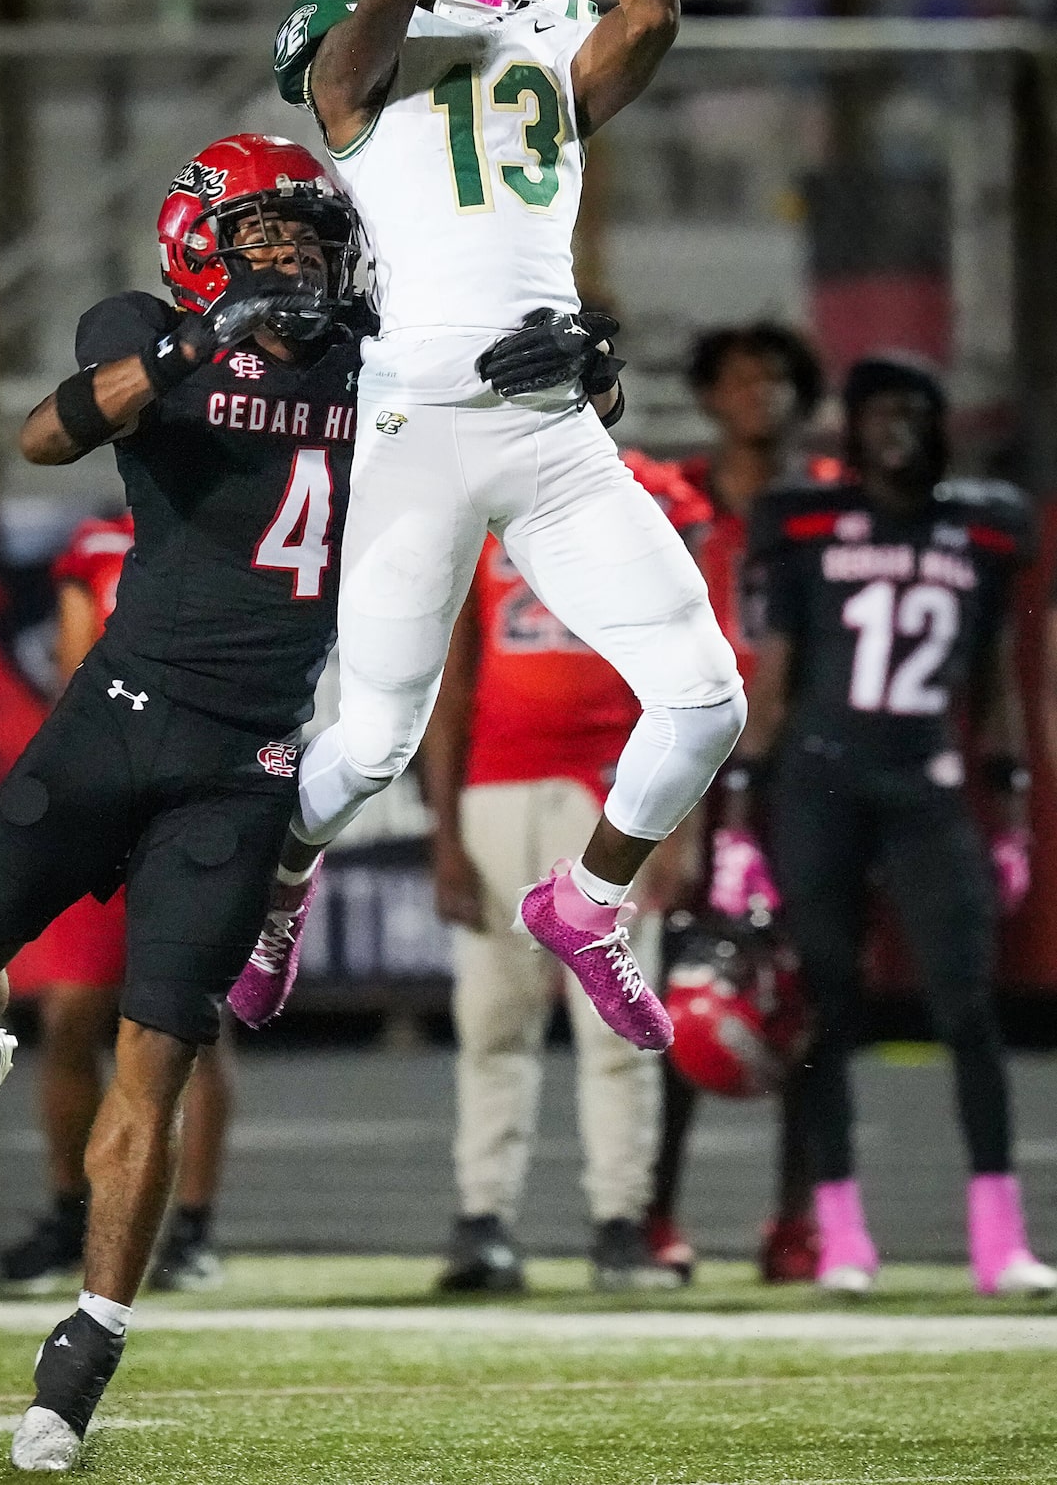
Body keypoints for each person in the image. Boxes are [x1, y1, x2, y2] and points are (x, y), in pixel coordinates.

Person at [260, 0, 744, 1055]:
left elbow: (651, 7)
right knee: (367, 748)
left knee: (706, 698)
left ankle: (586, 905)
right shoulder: (355, 60)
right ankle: (281, 882)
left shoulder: (547, 51)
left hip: (548, 424)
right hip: (415, 423)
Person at [0, 133, 364, 1472]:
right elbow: (45, 433)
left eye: (306, 236)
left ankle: (82, 1358)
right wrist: (191, 343)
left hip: (246, 761)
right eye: (266, 235)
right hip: (115, 722)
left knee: (154, 1057)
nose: (295, 256)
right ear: (201, 243)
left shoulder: (373, 362)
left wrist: (574, 379)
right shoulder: (152, 332)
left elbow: (506, 430)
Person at [728, 352, 1055, 1296]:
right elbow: (777, 674)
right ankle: (841, 1234)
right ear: (853, 429)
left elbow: (992, 675)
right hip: (819, 785)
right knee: (828, 1009)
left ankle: (999, 1238)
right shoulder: (803, 524)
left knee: (966, 1007)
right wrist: (744, 819)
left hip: (925, 783)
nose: (896, 427)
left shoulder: (982, 527)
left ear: (938, 423)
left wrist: (1012, 811)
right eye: (878, 412)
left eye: (913, 409)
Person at [425, 455, 711, 1293]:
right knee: (489, 1019)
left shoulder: (658, 493)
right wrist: (443, 828)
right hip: (499, 782)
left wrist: (678, 827)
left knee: (617, 1026)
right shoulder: (481, 483)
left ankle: (622, 1222)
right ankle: (483, 1219)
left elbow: (695, 659)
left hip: (615, 787)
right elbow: (453, 671)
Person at [0, 511, 234, 1294]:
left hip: (203, 797)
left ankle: (189, 1229)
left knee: (187, 1023)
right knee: (68, 1015)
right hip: (108, 794)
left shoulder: (241, 519)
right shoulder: (100, 539)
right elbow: (74, 673)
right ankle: (71, 1215)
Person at [648, 320, 834, 1284]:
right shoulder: (671, 504)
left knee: (802, 994)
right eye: (738, 377)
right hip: (698, 767)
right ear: (709, 395)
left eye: (777, 378)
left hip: (806, 773)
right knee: (679, 986)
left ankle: (798, 1216)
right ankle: (657, 1208)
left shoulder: (833, 505)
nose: (758, 393)